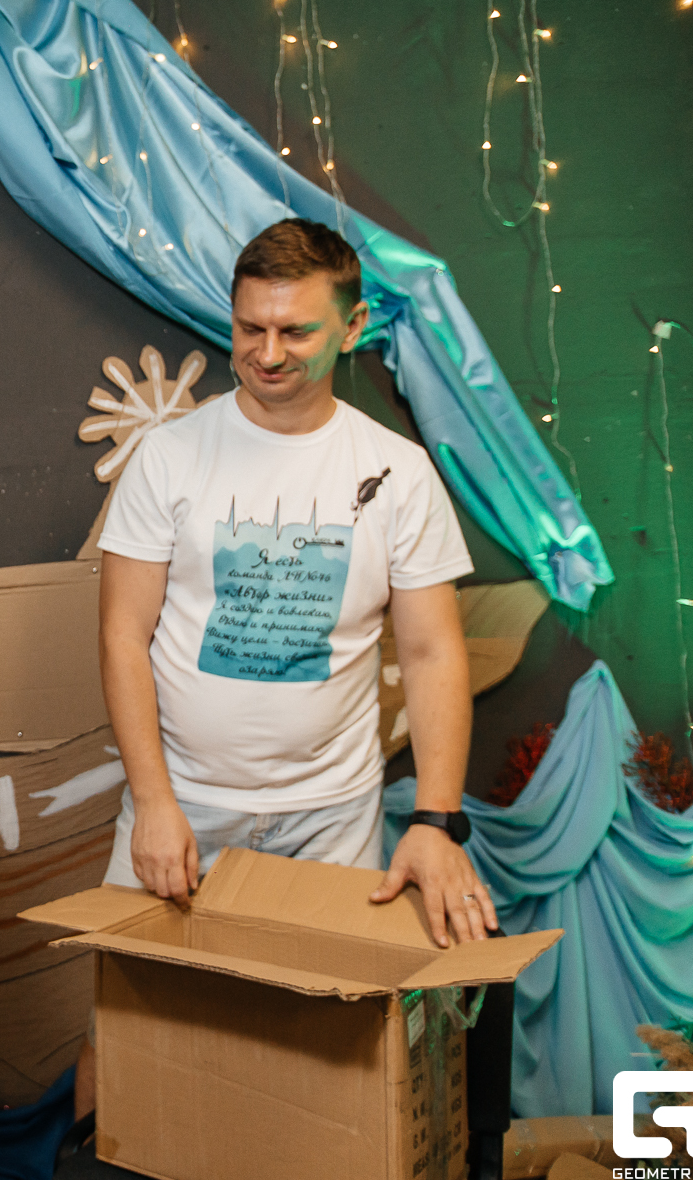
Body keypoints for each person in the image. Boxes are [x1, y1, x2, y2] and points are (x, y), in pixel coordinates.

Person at [75, 218, 497, 1124]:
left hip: (332, 820)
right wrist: (153, 802)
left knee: (321, 1056)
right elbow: (121, 636)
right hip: (183, 806)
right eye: (249, 328)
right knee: (126, 1038)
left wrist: (436, 819)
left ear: (352, 327)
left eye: (295, 331)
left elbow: (433, 652)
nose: (266, 354)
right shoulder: (169, 456)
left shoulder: (399, 473)